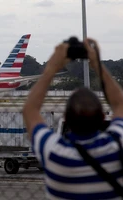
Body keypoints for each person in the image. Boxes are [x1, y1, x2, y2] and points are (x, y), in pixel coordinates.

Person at [22, 38, 123, 199]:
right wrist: (97, 63)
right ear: (103, 117)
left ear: (66, 119)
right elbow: (120, 104)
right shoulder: (116, 146)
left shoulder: (54, 153)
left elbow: (29, 111)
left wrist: (52, 67)